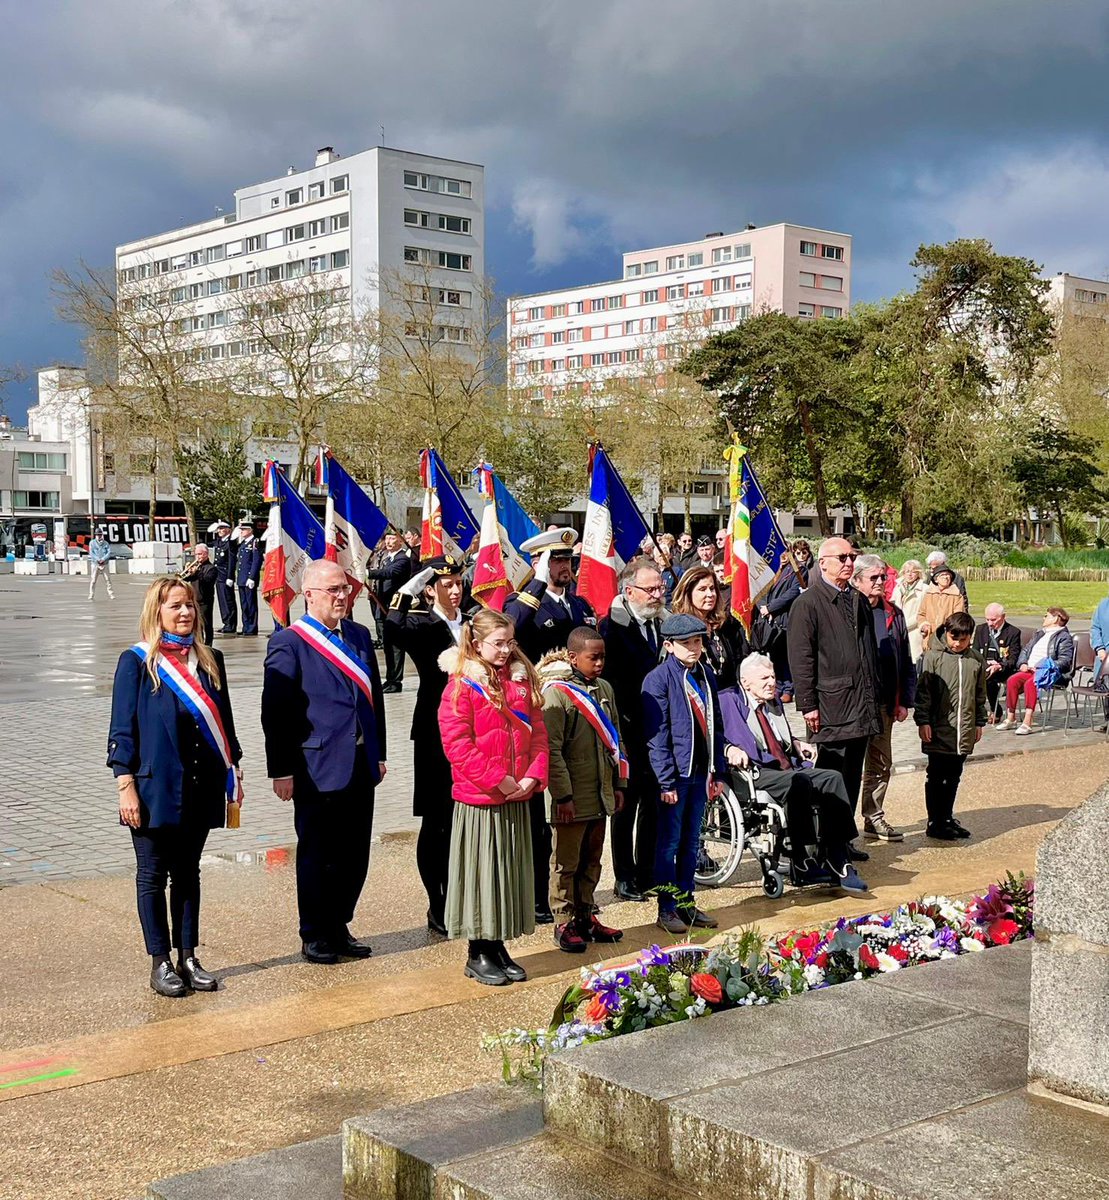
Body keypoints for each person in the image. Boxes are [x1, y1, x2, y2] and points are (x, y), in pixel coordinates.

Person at [107, 575, 244, 996]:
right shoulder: (136, 662)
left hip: (201, 785)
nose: (185, 613)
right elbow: (122, 729)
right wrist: (124, 784)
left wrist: (234, 770)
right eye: (175, 606)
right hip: (152, 789)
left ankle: (188, 956)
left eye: (190, 606)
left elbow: (226, 724)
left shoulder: (210, 659)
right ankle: (160, 961)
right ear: (157, 612)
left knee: (188, 874)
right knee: (152, 875)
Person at [261, 559, 386, 963]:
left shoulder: (360, 635)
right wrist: (280, 768)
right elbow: (276, 711)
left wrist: (379, 752)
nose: (342, 596)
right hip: (316, 766)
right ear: (309, 594)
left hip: (359, 761)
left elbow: (374, 699)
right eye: (332, 590)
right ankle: (314, 932)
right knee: (318, 853)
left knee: (354, 853)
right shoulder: (290, 642)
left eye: (345, 589)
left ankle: (340, 924)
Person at [437, 609, 549, 986]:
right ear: (476, 644)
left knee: (508, 875)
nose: (505, 650)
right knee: (483, 875)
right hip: (482, 799)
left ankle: (498, 945)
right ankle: (478, 951)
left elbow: (538, 735)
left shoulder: (519, 682)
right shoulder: (461, 687)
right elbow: (458, 746)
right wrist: (498, 780)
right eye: (498, 644)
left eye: (510, 642)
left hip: (516, 794)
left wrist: (533, 775)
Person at [506, 526, 597, 924]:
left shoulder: (578, 605)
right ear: (540, 562)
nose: (565, 567)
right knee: (545, 816)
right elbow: (512, 626)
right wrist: (538, 582)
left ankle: (575, 897)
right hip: (541, 714)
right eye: (556, 560)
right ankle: (540, 896)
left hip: (578, 719)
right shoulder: (525, 602)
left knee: (575, 812)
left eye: (567, 561)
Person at [718, 654, 867, 896]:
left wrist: (796, 742)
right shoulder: (727, 700)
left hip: (786, 767)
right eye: (764, 678)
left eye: (773, 677)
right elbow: (711, 736)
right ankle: (800, 857)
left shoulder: (773, 701)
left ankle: (838, 856)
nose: (771, 683)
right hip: (754, 771)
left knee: (833, 778)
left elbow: (778, 735)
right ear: (746, 682)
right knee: (801, 781)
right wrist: (728, 748)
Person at [385, 555, 467, 935]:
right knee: (437, 821)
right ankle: (437, 903)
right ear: (431, 589)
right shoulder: (422, 624)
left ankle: (463, 895)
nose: (455, 589)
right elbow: (392, 624)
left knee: (465, 820)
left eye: (458, 582)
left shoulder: (473, 623)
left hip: (475, 733)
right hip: (435, 734)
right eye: (445, 584)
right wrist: (411, 585)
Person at [786, 537, 881, 850]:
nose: (849, 563)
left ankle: (843, 837)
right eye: (842, 557)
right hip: (831, 705)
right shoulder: (807, 603)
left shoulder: (857, 599)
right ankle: (826, 841)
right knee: (831, 776)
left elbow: (868, 651)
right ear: (822, 562)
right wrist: (808, 705)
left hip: (861, 704)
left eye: (852, 557)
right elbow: (801, 659)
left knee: (853, 774)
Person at [538, 627, 626, 953]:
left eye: (603, 656)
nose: (600, 662)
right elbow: (552, 749)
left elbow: (617, 741)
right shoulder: (557, 695)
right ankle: (563, 921)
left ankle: (586, 915)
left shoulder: (604, 689)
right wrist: (562, 796)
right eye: (594, 657)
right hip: (572, 797)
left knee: (592, 860)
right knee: (565, 863)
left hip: (600, 791)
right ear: (573, 657)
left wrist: (620, 784)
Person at [642, 613, 725, 935]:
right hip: (675, 775)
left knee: (692, 842)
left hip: (701, 772)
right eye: (686, 643)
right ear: (669, 645)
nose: (694, 648)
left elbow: (716, 725)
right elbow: (657, 734)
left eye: (698, 641)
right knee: (669, 843)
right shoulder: (658, 679)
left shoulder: (706, 675)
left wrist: (719, 771)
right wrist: (665, 779)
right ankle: (667, 907)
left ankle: (688, 902)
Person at [599, 556, 669, 902]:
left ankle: (647, 872)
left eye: (660, 587)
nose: (658, 594)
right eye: (651, 589)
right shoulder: (611, 628)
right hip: (627, 731)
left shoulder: (661, 624)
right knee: (626, 807)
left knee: (655, 805)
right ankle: (624, 876)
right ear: (629, 591)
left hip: (660, 732)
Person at [853, 555, 916, 843]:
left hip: (884, 702)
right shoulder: (848, 608)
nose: (881, 583)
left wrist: (905, 700)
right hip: (852, 703)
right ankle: (841, 825)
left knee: (880, 763)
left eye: (883, 578)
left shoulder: (894, 613)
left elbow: (905, 658)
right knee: (849, 766)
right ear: (857, 580)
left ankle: (874, 816)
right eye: (874, 578)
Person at [914, 610, 987, 839]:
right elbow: (923, 693)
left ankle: (946, 817)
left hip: (963, 728)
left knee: (954, 774)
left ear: (970, 638)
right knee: (937, 774)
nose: (956, 643)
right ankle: (934, 821)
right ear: (946, 633)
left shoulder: (975, 659)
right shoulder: (933, 657)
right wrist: (923, 721)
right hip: (939, 727)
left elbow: (979, 694)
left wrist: (979, 722)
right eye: (953, 638)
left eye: (962, 640)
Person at [669, 564, 749, 691]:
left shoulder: (725, 625)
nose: (710, 594)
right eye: (702, 589)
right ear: (688, 593)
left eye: (712, 588)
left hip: (733, 697)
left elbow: (742, 656)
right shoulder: (679, 631)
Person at [997, 607, 1075, 735]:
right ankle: (1010, 717)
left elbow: (1065, 661)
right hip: (1030, 669)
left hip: (1050, 672)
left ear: (1055, 619)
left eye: (1047, 616)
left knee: (1031, 683)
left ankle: (1028, 721)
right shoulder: (1040, 634)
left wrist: (1042, 666)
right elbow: (1025, 650)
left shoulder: (1064, 637)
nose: (1043, 618)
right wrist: (1022, 663)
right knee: (1012, 680)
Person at [755, 540, 811, 700]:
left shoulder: (798, 570)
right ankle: (778, 686)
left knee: (786, 656)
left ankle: (788, 688)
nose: (783, 556)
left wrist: (772, 607)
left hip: (786, 617)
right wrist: (764, 608)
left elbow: (793, 592)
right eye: (780, 552)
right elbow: (760, 591)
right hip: (770, 619)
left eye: (785, 551)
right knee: (774, 655)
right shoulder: (770, 570)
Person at [365, 529, 412, 692]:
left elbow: (389, 573)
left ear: (400, 541)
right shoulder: (386, 558)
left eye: (393, 539)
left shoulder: (403, 559)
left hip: (396, 609)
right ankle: (390, 678)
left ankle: (396, 681)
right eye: (387, 539)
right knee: (387, 646)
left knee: (396, 646)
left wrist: (368, 573)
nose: (389, 542)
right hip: (382, 607)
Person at [972, 603, 1022, 721]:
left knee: (990, 680)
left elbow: (1013, 658)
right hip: (984, 665)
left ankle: (996, 710)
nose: (990, 623)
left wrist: (999, 665)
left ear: (1003, 617)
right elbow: (974, 651)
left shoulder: (1013, 632)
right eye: (987, 619)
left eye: (993, 620)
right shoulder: (981, 629)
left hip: (1003, 668)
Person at [917, 566, 966, 650]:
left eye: (948, 575)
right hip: (930, 637)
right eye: (943, 575)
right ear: (936, 579)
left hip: (947, 638)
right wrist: (924, 625)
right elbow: (921, 614)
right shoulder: (929, 595)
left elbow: (958, 617)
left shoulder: (957, 596)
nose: (946, 577)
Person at [181, 545, 219, 646]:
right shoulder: (195, 567)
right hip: (194, 599)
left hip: (205, 600)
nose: (198, 557)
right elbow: (185, 579)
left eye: (200, 554)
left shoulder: (211, 568)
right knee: (196, 625)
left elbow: (207, 582)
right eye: (196, 554)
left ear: (206, 554)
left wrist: (196, 573)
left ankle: (208, 644)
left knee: (206, 624)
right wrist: (188, 571)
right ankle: (198, 644)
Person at [892, 559, 927, 661]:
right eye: (907, 571)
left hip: (914, 630)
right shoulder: (898, 587)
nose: (910, 574)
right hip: (899, 628)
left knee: (914, 661)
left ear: (919, 573)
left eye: (913, 571)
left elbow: (922, 612)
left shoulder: (924, 589)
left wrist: (905, 625)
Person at [234, 521, 263, 637]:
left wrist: (252, 577)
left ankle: (252, 627)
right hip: (241, 579)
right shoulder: (243, 544)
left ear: (250, 530)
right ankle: (246, 626)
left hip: (249, 579)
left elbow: (256, 561)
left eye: (243, 529)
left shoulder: (255, 543)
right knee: (244, 604)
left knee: (251, 604)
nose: (241, 532)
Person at [212, 521, 237, 634]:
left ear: (228, 529)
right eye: (219, 529)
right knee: (222, 601)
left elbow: (231, 561)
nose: (219, 531)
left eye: (222, 528)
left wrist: (230, 576)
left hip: (226, 575)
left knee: (228, 601)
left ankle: (231, 624)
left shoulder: (230, 543)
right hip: (218, 576)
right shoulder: (219, 542)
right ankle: (226, 622)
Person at [87, 527, 115, 601]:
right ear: (95, 535)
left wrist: (103, 559)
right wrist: (98, 559)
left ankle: (111, 594)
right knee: (93, 580)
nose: (99, 536)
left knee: (107, 579)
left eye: (100, 535)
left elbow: (108, 553)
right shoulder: (92, 543)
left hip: (104, 564)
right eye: (97, 535)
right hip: (95, 564)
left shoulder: (106, 543)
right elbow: (91, 553)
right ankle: (91, 594)